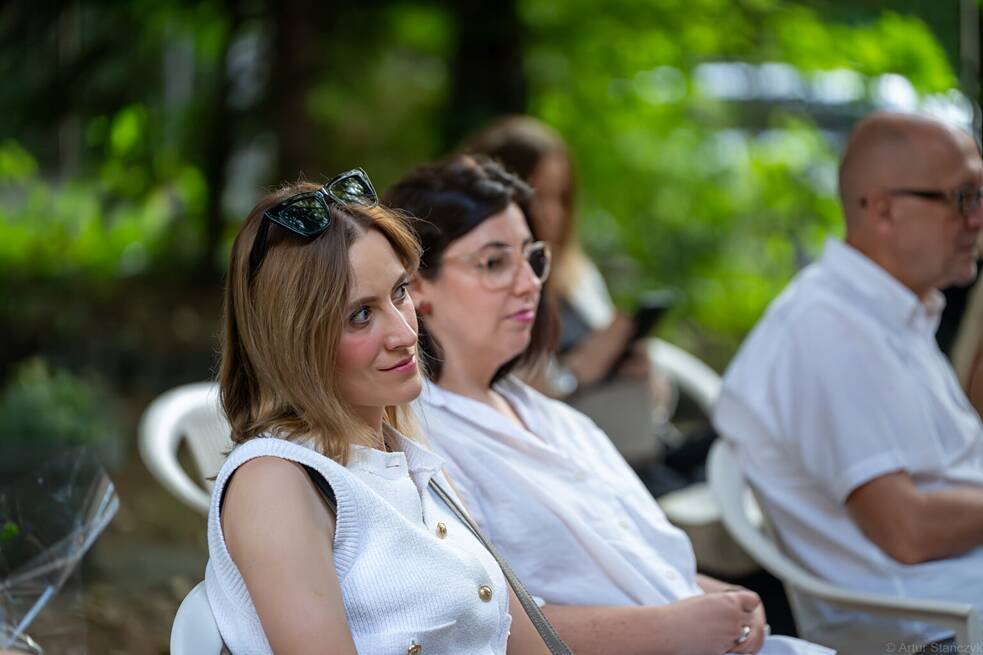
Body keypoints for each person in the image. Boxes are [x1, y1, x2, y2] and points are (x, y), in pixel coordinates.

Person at [384, 154, 831, 655]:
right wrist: (671, 627)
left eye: (532, 257)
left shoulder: (548, 415)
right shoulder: (422, 442)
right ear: (417, 286)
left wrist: (720, 597)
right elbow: (482, 620)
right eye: (493, 262)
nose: (529, 282)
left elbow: (637, 564)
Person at [203, 168, 551, 654]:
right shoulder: (278, 483)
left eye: (400, 292)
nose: (406, 334)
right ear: (294, 339)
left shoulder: (406, 458)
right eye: (360, 315)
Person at [713, 113, 983, 645]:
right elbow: (906, 529)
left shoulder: (886, 312)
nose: (978, 218)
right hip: (931, 627)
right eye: (964, 198)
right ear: (883, 209)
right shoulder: (827, 328)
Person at [464, 116, 693, 485]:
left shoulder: (577, 274)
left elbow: (657, 403)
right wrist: (577, 371)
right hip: (577, 466)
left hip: (633, 442)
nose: (552, 213)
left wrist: (640, 369)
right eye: (538, 197)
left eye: (561, 197)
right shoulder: (482, 288)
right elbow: (504, 400)